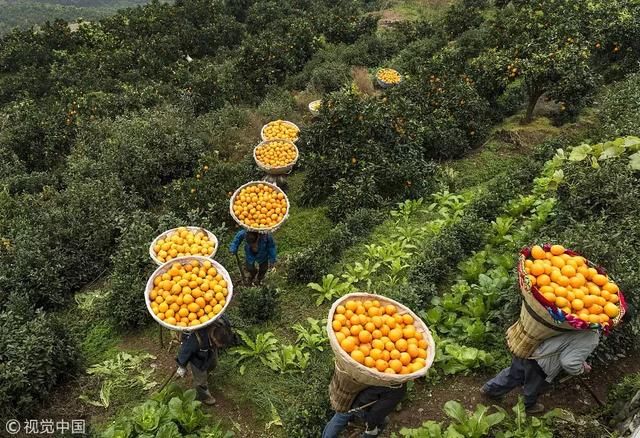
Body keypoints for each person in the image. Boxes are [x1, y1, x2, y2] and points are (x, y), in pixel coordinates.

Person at [481, 329, 600, 413]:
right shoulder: (591, 337)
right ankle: (526, 407)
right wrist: (581, 369)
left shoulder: (574, 318)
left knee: (512, 374)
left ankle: (490, 389)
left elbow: (567, 344)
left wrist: (580, 360)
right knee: (533, 387)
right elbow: (569, 363)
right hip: (542, 363)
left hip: (530, 347)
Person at [175, 316, 236, 405]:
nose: (220, 346)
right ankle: (205, 397)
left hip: (209, 352)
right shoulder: (196, 339)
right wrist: (181, 365)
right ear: (213, 338)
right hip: (197, 359)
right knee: (200, 381)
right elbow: (185, 351)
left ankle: (206, 374)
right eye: (219, 344)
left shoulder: (221, 326)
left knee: (213, 364)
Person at [323, 384, 406, 438]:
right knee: (381, 423)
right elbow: (378, 412)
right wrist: (371, 428)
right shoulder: (398, 388)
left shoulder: (373, 369)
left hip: (348, 397)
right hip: (361, 405)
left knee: (340, 416)